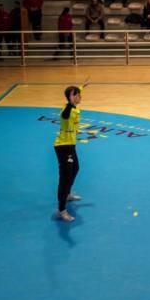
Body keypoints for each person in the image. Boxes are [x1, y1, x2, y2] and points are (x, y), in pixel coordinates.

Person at [53, 80, 90, 222]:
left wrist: (81, 87)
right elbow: (65, 116)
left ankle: (67, 194)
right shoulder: (66, 110)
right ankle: (61, 210)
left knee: (75, 168)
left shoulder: (74, 108)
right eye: (77, 95)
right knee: (65, 178)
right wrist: (70, 101)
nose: (80, 96)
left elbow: (74, 94)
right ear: (71, 97)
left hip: (71, 145)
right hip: (63, 147)